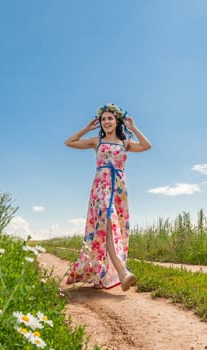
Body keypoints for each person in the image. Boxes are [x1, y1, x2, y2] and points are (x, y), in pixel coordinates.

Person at [65, 103, 151, 291]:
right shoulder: (97, 142)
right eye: (103, 119)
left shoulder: (124, 143)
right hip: (101, 187)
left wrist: (133, 128)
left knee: (112, 227)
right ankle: (122, 272)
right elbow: (69, 142)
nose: (106, 122)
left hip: (119, 189)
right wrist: (87, 129)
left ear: (117, 121)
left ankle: (101, 273)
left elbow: (147, 145)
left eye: (110, 118)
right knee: (107, 223)